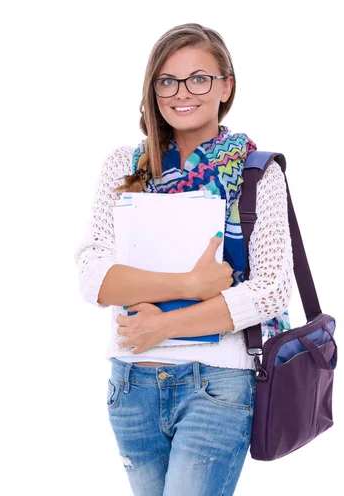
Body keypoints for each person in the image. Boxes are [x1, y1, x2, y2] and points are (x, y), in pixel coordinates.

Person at [74, 23, 293, 496]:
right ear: (153, 90)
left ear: (226, 86)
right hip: (131, 384)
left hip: (217, 382)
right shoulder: (125, 165)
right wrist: (192, 284)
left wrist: (165, 325)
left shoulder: (257, 174)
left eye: (199, 79)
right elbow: (95, 277)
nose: (181, 93)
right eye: (167, 81)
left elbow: (272, 288)